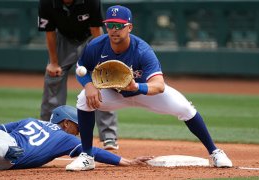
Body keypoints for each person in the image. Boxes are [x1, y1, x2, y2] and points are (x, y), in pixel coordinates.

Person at [66, 5, 233, 171]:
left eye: (119, 25)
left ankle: (215, 152)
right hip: (113, 92)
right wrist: (88, 85)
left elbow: (159, 85)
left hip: (145, 92)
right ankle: (87, 156)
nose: (114, 30)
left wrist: (136, 86)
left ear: (129, 27)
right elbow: (81, 68)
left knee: (185, 108)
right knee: (83, 99)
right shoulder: (96, 45)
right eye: (110, 25)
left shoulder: (142, 50)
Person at [0, 105, 152, 170]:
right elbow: (94, 151)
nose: (78, 133)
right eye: (77, 128)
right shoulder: (67, 138)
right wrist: (127, 161)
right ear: (66, 123)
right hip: (8, 154)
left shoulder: (29, 120)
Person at [37, 0, 119, 150]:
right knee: (53, 78)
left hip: (90, 40)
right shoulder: (47, 2)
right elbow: (50, 32)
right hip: (62, 39)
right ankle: (47, 132)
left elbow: (96, 31)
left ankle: (109, 137)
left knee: (101, 81)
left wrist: (100, 61)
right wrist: (54, 62)